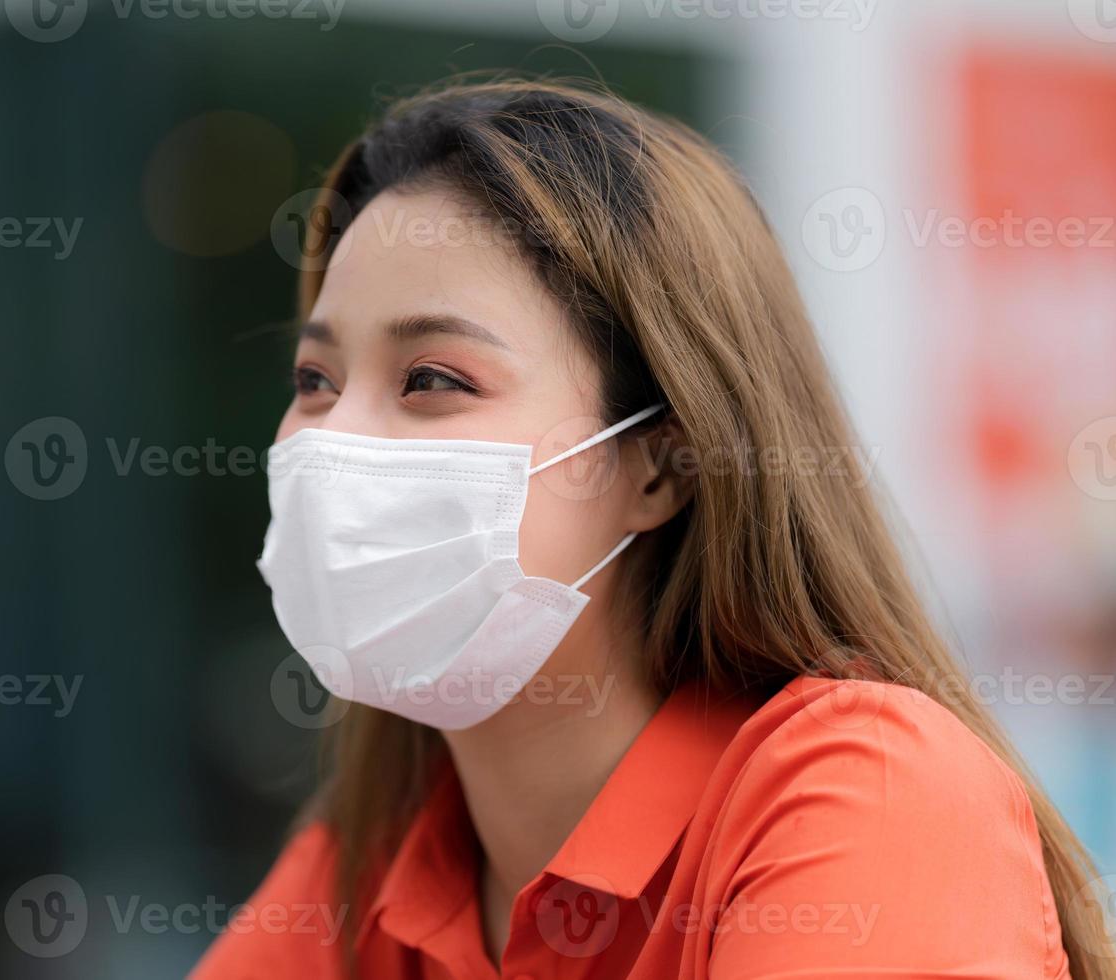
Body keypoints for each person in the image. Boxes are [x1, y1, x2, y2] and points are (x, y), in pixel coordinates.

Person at [194, 76, 1114, 979]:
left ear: (661, 466)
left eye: (434, 379)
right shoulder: (368, 869)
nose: (333, 440)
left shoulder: (862, 789)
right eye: (315, 380)